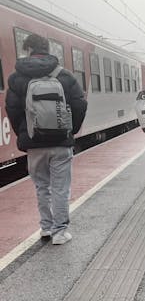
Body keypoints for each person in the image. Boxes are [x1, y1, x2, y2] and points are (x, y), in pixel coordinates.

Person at [6, 33, 87, 244]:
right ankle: (60, 233)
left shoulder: (16, 78)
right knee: (61, 187)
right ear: (48, 49)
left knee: (42, 187)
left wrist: (23, 133)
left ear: (28, 49)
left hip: (34, 142)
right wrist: (71, 130)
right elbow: (80, 104)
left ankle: (46, 228)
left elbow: (12, 109)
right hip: (60, 142)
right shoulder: (65, 76)